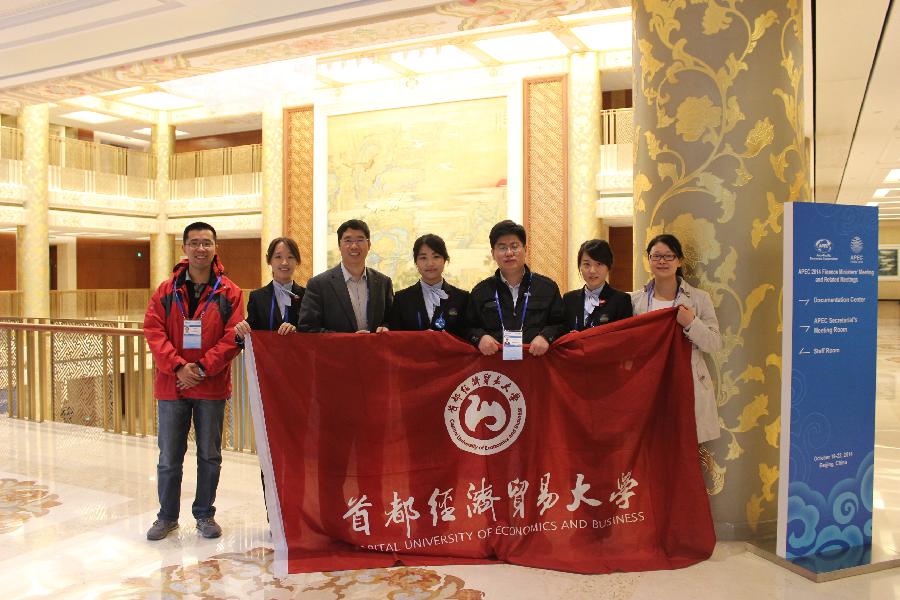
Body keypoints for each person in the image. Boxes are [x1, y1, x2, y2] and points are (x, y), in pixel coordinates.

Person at [143, 222, 244, 540]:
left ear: (215, 247)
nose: (201, 248)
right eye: (195, 242)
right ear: (184, 247)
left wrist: (200, 368)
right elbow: (153, 330)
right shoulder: (165, 291)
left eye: (207, 243)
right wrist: (178, 367)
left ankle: (204, 515)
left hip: (210, 385)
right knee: (169, 457)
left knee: (209, 456)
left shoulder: (230, 292)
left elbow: (234, 336)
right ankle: (166, 517)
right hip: (172, 385)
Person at [631, 233, 722, 443]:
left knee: (683, 449)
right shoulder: (634, 301)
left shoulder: (699, 299)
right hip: (648, 384)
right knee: (650, 447)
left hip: (686, 383)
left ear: (679, 260)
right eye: (656, 256)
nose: (662, 261)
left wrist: (691, 323)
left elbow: (714, 343)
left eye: (669, 256)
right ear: (648, 259)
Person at [466, 219, 564, 356]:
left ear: (525, 249)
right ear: (493, 253)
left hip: (536, 362)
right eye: (502, 247)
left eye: (514, 246)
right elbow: (468, 326)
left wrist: (546, 336)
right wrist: (480, 337)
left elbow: (561, 324)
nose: (509, 253)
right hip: (496, 364)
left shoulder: (547, 288)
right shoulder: (480, 291)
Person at [298, 219, 393, 333]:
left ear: (369, 245)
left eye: (360, 240)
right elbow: (308, 327)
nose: (354, 246)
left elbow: (392, 320)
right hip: (337, 346)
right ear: (339, 245)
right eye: (348, 240)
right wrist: (348, 340)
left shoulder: (383, 282)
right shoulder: (318, 284)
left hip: (375, 345)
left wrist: (386, 327)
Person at [387, 233, 469, 338]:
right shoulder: (401, 299)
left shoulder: (462, 298)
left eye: (436, 257)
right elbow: (396, 337)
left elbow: (467, 333)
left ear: (445, 260)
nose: (430, 263)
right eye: (423, 258)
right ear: (416, 262)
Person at [234, 237, 306, 340]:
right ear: (269, 260)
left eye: (290, 257)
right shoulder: (257, 297)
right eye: (278, 257)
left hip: (297, 350)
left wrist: (297, 332)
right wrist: (241, 335)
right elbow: (250, 335)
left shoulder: (307, 296)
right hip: (266, 351)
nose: (284, 262)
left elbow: (311, 332)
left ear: (297, 261)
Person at [562, 239, 632, 333]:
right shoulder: (569, 299)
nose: (592, 270)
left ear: (608, 266)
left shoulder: (621, 300)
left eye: (599, 264)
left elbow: (624, 336)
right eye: (587, 264)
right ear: (580, 266)